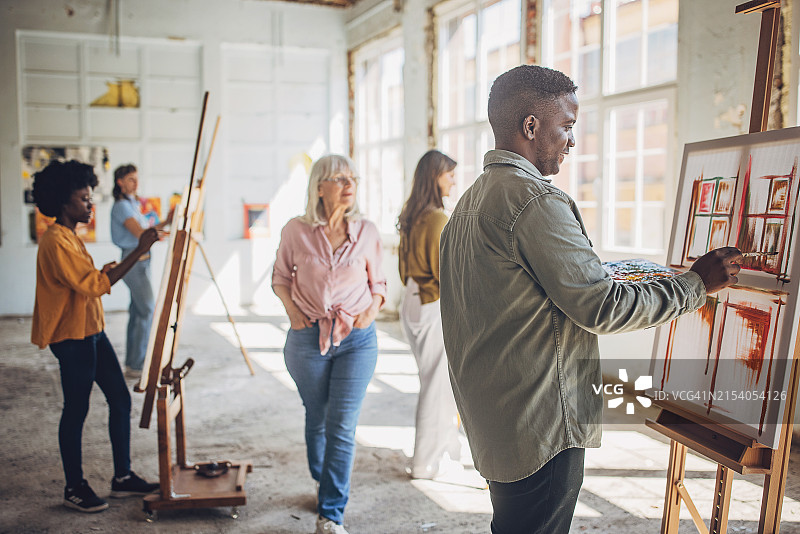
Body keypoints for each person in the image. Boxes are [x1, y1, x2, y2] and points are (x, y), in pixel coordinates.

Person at [438, 65, 743, 534]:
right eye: (567, 126)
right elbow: (602, 307)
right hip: (539, 425)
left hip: (496, 417)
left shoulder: (469, 203)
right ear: (531, 126)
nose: (572, 141)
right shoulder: (535, 201)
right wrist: (694, 284)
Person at [31, 160, 161, 513]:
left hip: (91, 330)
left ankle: (123, 477)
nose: (90, 205)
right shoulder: (56, 241)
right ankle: (74, 487)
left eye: (90, 198)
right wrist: (139, 249)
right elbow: (94, 285)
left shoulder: (69, 236)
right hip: (71, 337)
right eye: (84, 199)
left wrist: (104, 270)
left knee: (120, 399)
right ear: (63, 202)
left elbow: (85, 280)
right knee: (76, 409)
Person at [272, 154, 386, 534]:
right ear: (319, 187)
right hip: (307, 338)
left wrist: (370, 312)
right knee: (317, 416)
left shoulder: (367, 231)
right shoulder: (295, 230)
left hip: (357, 341)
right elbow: (280, 277)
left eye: (352, 178)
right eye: (339, 178)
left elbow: (378, 283)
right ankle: (322, 483)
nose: (349, 184)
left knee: (341, 425)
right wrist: (292, 311)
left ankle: (331, 514)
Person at [397, 150, 463, 480]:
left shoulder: (413, 214)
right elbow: (445, 273)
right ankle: (424, 463)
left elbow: (403, 269)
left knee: (437, 383)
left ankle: (446, 453)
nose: (453, 181)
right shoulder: (438, 218)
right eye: (449, 175)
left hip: (412, 300)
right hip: (432, 302)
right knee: (437, 387)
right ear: (435, 177)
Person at [110, 164, 171, 377]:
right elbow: (141, 235)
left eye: (136, 178)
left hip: (142, 260)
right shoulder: (122, 206)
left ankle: (133, 362)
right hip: (133, 260)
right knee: (146, 309)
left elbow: (147, 231)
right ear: (120, 182)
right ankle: (138, 363)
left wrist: (168, 222)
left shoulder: (133, 204)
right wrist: (164, 231)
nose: (136, 183)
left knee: (138, 311)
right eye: (131, 179)